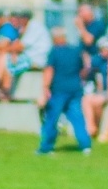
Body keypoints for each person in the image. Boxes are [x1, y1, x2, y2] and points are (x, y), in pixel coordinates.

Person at [36, 26, 91, 155]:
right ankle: (85, 145)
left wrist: (45, 88)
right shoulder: (75, 51)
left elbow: (49, 70)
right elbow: (84, 68)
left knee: (52, 119)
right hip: (75, 89)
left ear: (55, 38)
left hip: (58, 90)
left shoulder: (54, 52)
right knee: (77, 118)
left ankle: (46, 147)